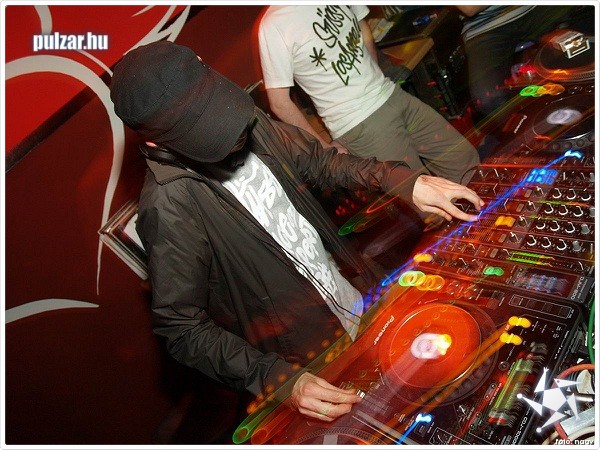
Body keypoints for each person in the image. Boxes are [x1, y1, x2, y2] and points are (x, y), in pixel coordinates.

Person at [109, 40, 484, 423]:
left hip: (360, 299)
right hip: (312, 359)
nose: (231, 131)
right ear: (154, 140)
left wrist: (403, 181)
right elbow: (182, 327)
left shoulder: (246, 121)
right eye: (204, 127)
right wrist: (278, 380)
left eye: (216, 109)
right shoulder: (169, 205)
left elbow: (321, 163)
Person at [258, 5, 480, 186]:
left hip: (391, 94)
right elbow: (279, 103)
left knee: (466, 163)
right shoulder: (274, 25)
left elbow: (363, 27)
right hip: (360, 124)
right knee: (429, 203)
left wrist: (372, 75)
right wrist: (323, 149)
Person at [455, 5, 578, 122]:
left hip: (531, 8)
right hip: (484, 27)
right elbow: (470, 7)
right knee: (488, 99)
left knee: (583, 24)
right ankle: (536, 130)